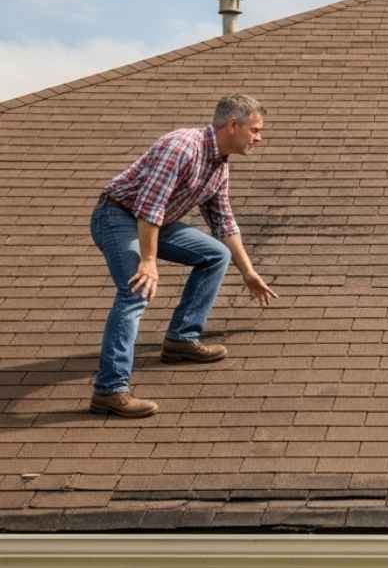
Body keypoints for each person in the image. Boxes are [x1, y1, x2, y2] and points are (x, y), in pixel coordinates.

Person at [89, 94, 278, 418]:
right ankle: (109, 390)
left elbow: (223, 222)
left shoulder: (219, 165)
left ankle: (181, 339)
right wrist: (148, 261)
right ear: (233, 125)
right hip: (118, 216)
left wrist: (248, 272)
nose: (259, 138)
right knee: (136, 289)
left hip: (156, 223)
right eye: (255, 130)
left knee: (216, 255)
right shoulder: (182, 147)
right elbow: (149, 206)